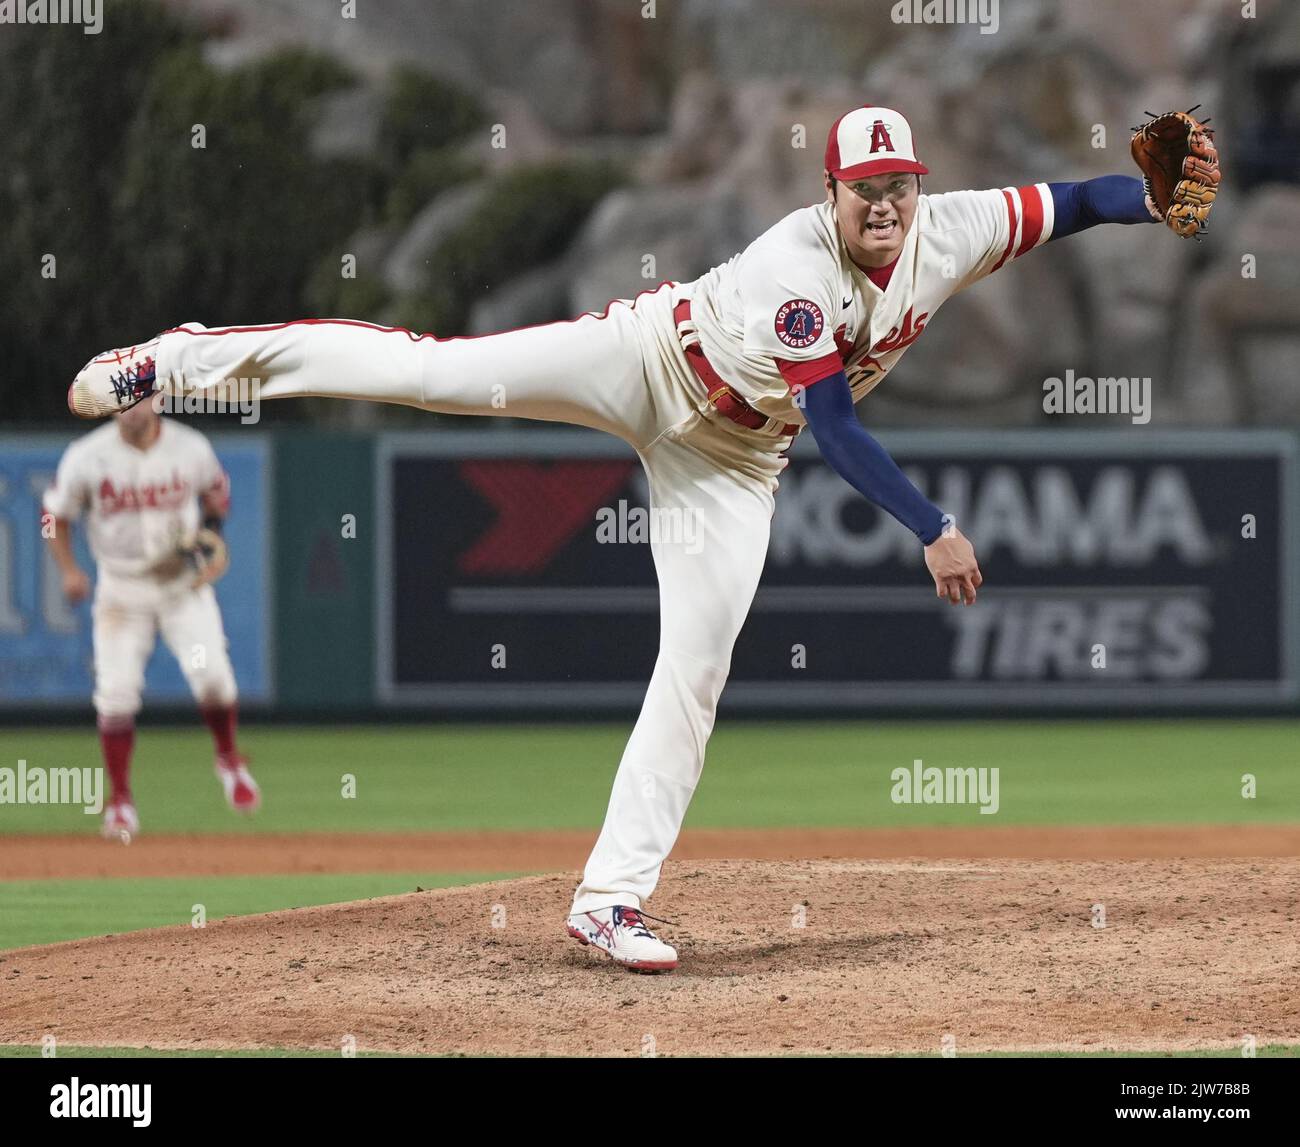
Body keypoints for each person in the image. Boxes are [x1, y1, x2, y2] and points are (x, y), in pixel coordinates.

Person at [67, 105, 1163, 966]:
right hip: (649, 359)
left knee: (694, 666)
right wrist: (934, 526)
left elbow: (1074, 200)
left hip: (729, 463)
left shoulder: (953, 227)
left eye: (897, 185)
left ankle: (606, 902)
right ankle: (184, 358)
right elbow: (835, 423)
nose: (883, 203)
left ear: (917, 186)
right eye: (863, 187)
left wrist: (1152, 195)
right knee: (433, 370)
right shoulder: (797, 269)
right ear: (828, 190)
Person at [43, 398, 260, 842]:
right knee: (116, 696)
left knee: (214, 679)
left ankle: (229, 760)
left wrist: (212, 535)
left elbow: (217, 492)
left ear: (157, 400)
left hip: (183, 588)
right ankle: (121, 800)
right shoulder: (87, 456)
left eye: (139, 399)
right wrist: (67, 568)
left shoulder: (190, 447)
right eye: (121, 400)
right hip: (122, 592)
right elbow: (53, 518)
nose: (130, 409)